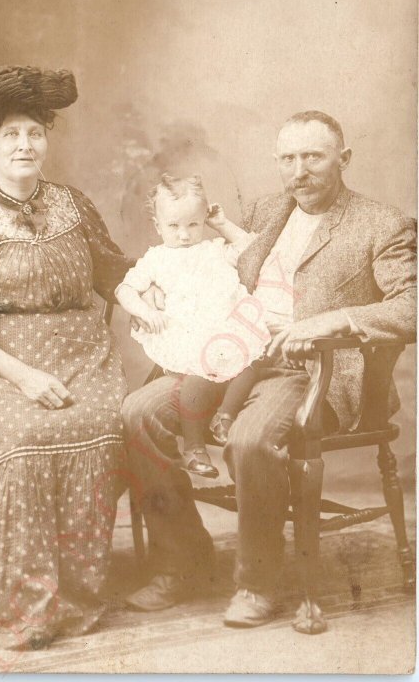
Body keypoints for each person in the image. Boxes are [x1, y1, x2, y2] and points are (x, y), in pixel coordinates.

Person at [122, 110, 416, 617]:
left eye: (313, 156)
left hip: (308, 369)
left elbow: (409, 306)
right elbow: (208, 268)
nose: (299, 170)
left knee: (251, 438)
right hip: (233, 355)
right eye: (288, 158)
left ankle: (258, 581)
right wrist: (161, 298)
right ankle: (183, 560)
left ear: (343, 158)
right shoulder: (263, 211)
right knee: (137, 413)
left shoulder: (381, 223)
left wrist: (327, 323)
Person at [0, 66, 133, 650]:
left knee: (105, 427)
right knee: (24, 442)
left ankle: (77, 592)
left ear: (47, 140)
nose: (24, 145)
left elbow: (116, 273)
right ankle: (21, 599)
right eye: (10, 135)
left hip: (83, 357)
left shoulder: (72, 205)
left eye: (35, 133)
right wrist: (24, 375)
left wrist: (176, 292)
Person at [116, 173, 270, 478]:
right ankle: (194, 447)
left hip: (227, 331)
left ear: (203, 222)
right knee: (198, 379)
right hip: (191, 334)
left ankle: (224, 418)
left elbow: (253, 248)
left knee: (253, 362)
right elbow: (124, 289)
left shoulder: (215, 248)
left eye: (193, 224)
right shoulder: (157, 258)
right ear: (158, 226)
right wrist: (144, 310)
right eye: (173, 226)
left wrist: (221, 224)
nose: (184, 235)